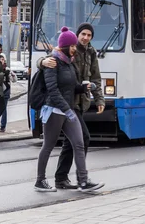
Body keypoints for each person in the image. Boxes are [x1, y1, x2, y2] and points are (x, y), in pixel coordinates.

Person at [35, 26, 104, 193]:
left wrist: (86, 87)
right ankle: (40, 180)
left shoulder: (70, 63)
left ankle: (83, 181)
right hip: (55, 110)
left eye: (75, 46)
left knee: (79, 143)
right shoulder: (53, 61)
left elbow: (73, 86)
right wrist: (67, 110)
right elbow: (53, 89)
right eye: (72, 46)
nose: (75, 48)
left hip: (69, 109)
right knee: (48, 145)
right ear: (66, 46)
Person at [0, 53, 17, 133]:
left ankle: (3, 126)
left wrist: (13, 76)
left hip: (5, 91)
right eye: (0, 59)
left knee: (3, 109)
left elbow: (14, 80)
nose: (1, 61)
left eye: (3, 59)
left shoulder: (7, 69)